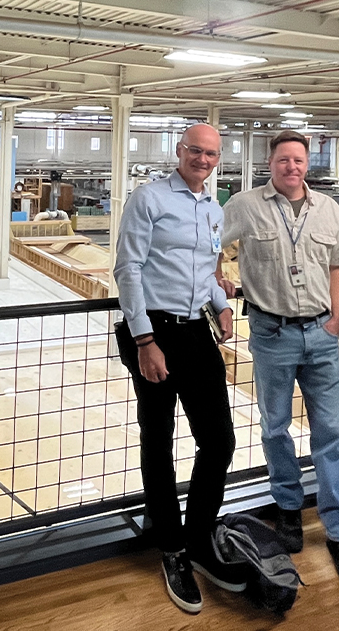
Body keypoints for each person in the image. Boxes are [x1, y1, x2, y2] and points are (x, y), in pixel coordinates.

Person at [221, 130, 339, 586]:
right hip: (271, 333)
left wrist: (336, 320)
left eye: (298, 160)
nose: (291, 167)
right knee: (275, 427)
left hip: (320, 334)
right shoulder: (244, 205)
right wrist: (216, 281)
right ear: (271, 163)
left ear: (307, 164)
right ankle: (287, 510)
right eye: (283, 159)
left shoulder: (326, 208)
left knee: (331, 433)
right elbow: (208, 248)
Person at [113, 123, 243, 614]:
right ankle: (172, 548)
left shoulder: (212, 207)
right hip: (154, 333)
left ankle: (198, 534)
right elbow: (129, 270)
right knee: (158, 439)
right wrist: (145, 340)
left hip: (196, 332)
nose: (203, 160)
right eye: (195, 151)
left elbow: (205, 268)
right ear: (179, 151)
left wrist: (221, 304)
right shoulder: (148, 200)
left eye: (211, 154)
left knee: (219, 440)